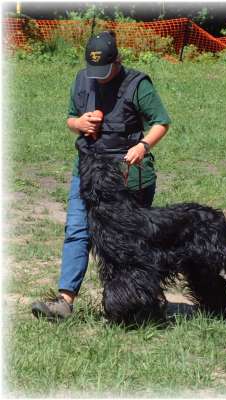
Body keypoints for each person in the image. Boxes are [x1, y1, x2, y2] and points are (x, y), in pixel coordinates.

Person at [31, 31, 171, 320]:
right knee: (78, 231)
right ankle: (64, 301)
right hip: (88, 172)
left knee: (129, 241)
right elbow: (70, 117)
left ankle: (142, 301)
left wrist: (143, 146)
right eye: (94, 71)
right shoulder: (82, 79)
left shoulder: (137, 85)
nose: (99, 77)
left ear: (117, 60)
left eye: (104, 71)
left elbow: (161, 121)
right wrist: (78, 123)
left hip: (127, 174)